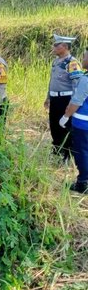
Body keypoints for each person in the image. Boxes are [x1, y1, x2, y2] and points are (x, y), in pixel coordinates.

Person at [44, 34, 83, 160]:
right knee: (54, 125)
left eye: (56, 45)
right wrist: (48, 97)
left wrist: (71, 104)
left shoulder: (72, 63)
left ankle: (67, 155)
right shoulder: (56, 62)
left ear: (65, 47)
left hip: (66, 99)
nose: (54, 47)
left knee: (65, 126)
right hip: (55, 99)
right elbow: (52, 81)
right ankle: (57, 151)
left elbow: (77, 86)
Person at [58, 48, 88, 194]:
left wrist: (65, 117)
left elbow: (76, 101)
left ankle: (83, 183)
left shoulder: (85, 79)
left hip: (83, 123)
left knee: (81, 153)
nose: (82, 60)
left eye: (85, 57)